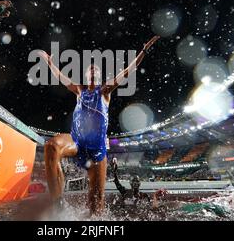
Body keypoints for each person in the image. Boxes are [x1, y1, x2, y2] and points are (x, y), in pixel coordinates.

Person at [40, 35, 159, 215]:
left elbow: (127, 71)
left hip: (97, 150)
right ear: (87, 76)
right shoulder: (78, 89)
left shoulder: (105, 91)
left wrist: (143, 51)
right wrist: (49, 62)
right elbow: (59, 76)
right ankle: (58, 206)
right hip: (76, 141)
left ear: (101, 76)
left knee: (96, 207)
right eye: (90, 70)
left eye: (96, 70)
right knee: (51, 147)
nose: (93, 71)